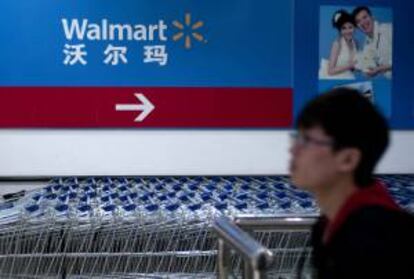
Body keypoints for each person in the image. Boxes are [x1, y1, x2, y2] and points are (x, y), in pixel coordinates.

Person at [290, 88, 414, 278]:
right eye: (296, 138)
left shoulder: (379, 238)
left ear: (348, 159)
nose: (293, 149)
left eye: (306, 141)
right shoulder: (327, 225)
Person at [352, 6, 392, 79]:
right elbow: (368, 66)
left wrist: (379, 69)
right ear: (357, 26)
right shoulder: (367, 44)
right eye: (358, 21)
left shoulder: (388, 29)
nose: (363, 22)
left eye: (365, 17)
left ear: (372, 17)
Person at [326, 10, 358, 78]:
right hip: (336, 77)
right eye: (344, 28)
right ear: (340, 30)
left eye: (350, 27)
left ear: (354, 27)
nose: (347, 31)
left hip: (349, 76)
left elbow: (353, 67)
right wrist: (350, 65)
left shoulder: (355, 42)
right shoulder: (337, 44)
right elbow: (330, 71)